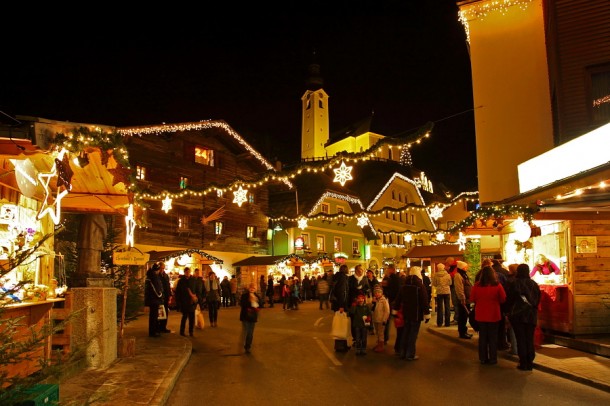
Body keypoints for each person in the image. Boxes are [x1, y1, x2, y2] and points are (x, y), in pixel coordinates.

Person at [506, 263, 541, 371]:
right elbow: (537, 299)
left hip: (517, 315)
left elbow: (509, 300)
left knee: (520, 338)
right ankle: (530, 361)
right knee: (529, 339)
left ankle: (523, 362)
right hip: (531, 315)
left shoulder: (514, 284)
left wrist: (507, 312)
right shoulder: (534, 284)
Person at [470, 266, 507, 365]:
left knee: (482, 337)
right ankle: (493, 359)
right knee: (493, 337)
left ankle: (483, 358)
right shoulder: (497, 285)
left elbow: (472, 298)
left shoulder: (477, 285)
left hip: (481, 314)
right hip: (494, 314)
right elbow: (503, 298)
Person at [393, 266, 430, 360]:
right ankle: (410, 354)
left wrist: (395, 310)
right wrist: (427, 314)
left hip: (406, 313)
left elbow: (398, 299)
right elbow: (424, 301)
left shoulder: (404, 285)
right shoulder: (420, 286)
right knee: (413, 334)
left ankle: (402, 352)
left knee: (406, 332)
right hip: (416, 314)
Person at [348, 264, 370, 344]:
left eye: (362, 270)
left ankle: (362, 338)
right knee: (354, 321)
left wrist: (365, 291)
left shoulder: (365, 279)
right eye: (360, 269)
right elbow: (348, 291)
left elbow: (368, 289)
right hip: (354, 303)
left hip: (362, 303)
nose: (361, 271)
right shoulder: (351, 279)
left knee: (362, 320)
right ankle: (355, 338)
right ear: (356, 270)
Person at [239, 282, 261, 354]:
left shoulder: (256, 296)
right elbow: (242, 304)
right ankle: (243, 345)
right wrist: (250, 301)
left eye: (254, 288)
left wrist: (256, 301)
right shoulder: (244, 296)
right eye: (251, 288)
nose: (252, 289)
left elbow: (261, 304)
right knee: (247, 331)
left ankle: (248, 346)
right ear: (249, 288)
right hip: (245, 316)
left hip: (253, 317)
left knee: (250, 333)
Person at [453, 261, 473, 339]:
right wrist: (462, 298)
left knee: (464, 317)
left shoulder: (464, 275)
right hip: (463, 300)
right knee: (462, 317)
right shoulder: (458, 276)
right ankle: (462, 333)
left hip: (466, 299)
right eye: (465, 267)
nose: (467, 268)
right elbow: (459, 288)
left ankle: (464, 331)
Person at [175, 267, 197, 337]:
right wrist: (178, 302)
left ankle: (191, 332)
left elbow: (196, 289)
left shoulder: (193, 280)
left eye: (188, 272)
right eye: (186, 272)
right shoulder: (181, 281)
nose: (187, 273)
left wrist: (196, 297)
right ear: (184, 272)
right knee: (184, 317)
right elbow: (178, 292)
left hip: (191, 302)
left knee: (191, 318)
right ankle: (182, 331)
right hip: (184, 302)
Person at [381, 264, 400, 345]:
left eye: (388, 269)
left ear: (391, 269)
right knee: (393, 320)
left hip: (391, 301)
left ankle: (385, 338)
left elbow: (390, 290)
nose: (387, 270)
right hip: (393, 301)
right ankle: (394, 339)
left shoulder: (392, 279)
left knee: (388, 319)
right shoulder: (394, 278)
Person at [144, 263, 164, 338]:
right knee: (154, 316)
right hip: (154, 300)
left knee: (153, 316)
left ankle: (153, 331)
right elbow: (156, 288)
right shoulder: (153, 277)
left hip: (153, 299)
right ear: (157, 270)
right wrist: (160, 294)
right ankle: (153, 332)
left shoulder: (150, 276)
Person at [371, 284, 390, 353]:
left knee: (381, 333)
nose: (377, 294)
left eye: (379, 292)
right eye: (376, 292)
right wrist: (373, 303)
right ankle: (378, 344)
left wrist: (385, 319)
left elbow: (387, 311)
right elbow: (371, 309)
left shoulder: (384, 300)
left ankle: (381, 346)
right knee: (377, 333)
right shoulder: (375, 300)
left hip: (381, 320)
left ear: (381, 293)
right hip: (375, 319)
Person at [432, 263, 452, 327]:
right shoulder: (448, 275)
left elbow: (434, 284)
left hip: (439, 292)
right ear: (443, 268)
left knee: (439, 308)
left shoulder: (435, 275)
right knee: (447, 307)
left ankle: (439, 323)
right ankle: (447, 323)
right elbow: (450, 283)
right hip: (447, 292)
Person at [158, 262, 172, 333]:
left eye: (163, 268)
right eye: (161, 268)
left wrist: (170, 295)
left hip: (166, 296)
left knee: (165, 312)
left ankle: (163, 327)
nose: (162, 270)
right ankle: (159, 327)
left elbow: (168, 286)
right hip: (160, 297)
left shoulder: (166, 276)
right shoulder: (157, 276)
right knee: (160, 312)